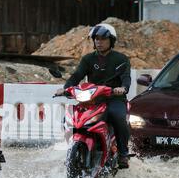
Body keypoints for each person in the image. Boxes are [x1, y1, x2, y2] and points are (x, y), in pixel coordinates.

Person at [55, 23, 131, 169]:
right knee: (70, 117)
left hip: (114, 99)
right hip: (92, 99)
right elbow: (76, 76)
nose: (98, 42)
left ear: (111, 41)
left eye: (102, 39)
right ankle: (72, 147)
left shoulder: (121, 59)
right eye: (96, 39)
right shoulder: (88, 59)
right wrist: (65, 89)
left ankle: (123, 153)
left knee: (118, 117)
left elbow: (126, 78)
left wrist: (123, 88)